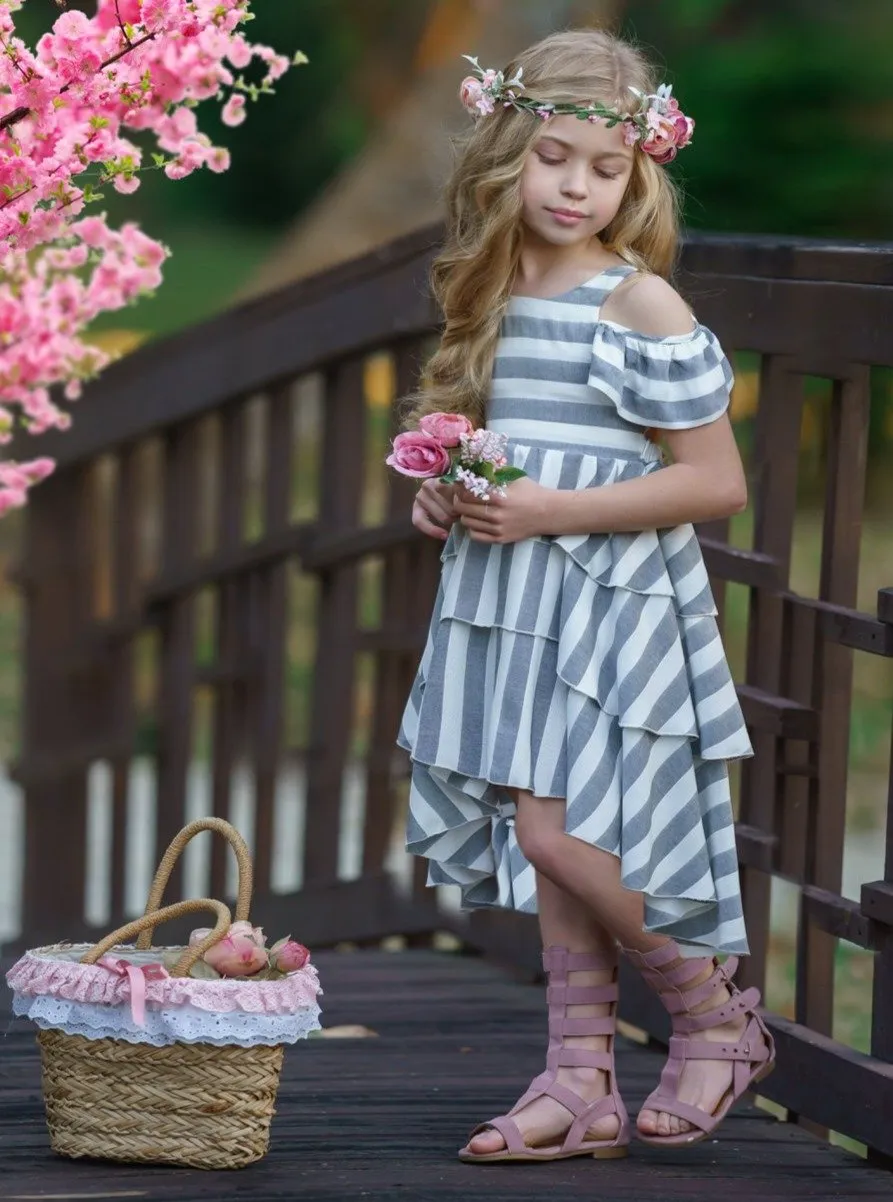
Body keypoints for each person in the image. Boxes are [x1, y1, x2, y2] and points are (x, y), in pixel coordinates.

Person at [395, 28, 775, 1164]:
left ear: (637, 173)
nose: (575, 187)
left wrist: (547, 511)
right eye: (554, 157)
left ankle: (715, 1020)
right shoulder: (496, 285)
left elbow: (714, 479)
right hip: (512, 595)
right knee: (547, 826)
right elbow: (503, 433)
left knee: (557, 835)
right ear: (509, 151)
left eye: (604, 168)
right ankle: (578, 1079)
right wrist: (445, 495)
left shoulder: (635, 302)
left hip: (606, 602)